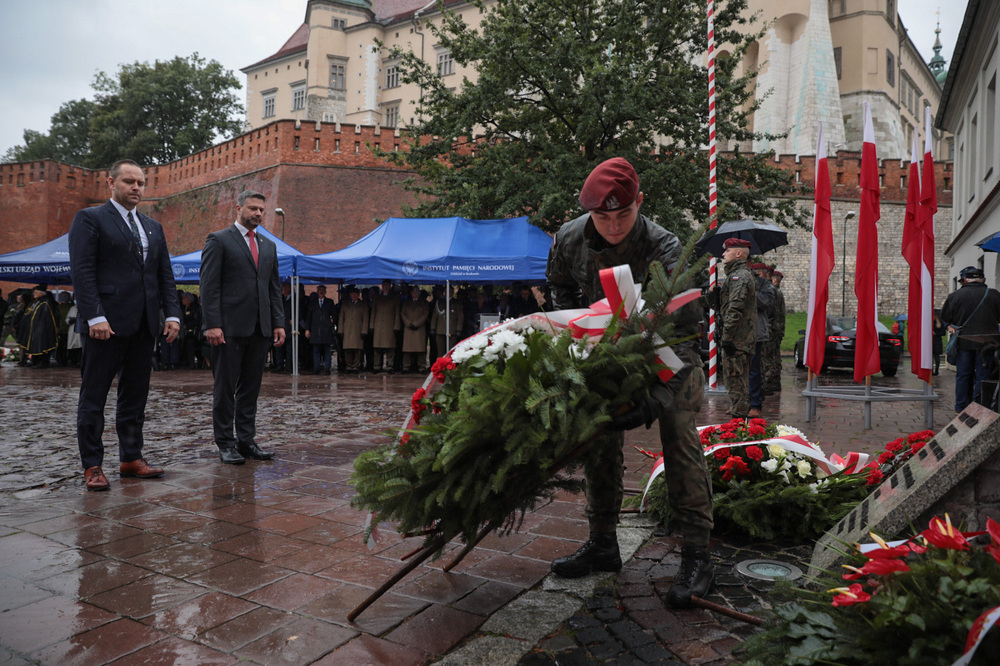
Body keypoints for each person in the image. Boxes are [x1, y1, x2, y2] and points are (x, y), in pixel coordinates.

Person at [546, 157, 713, 607]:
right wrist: (578, 338)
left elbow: (686, 330)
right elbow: (558, 288)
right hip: (606, 355)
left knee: (678, 433)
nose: (614, 225)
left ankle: (698, 553)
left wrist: (656, 397)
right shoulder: (569, 238)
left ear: (641, 202)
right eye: (603, 216)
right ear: (588, 212)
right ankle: (603, 541)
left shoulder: (666, 247)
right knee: (598, 436)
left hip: (671, 354)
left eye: (624, 214)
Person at [68, 159, 181, 491]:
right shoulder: (90, 219)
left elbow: (165, 277)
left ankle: (131, 457)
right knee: (94, 397)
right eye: (129, 181)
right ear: (111, 183)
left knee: (135, 397)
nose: (136, 187)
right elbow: (83, 271)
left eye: (141, 183)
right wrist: (95, 316)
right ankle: (92, 465)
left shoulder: (152, 227)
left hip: (144, 325)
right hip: (106, 325)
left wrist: (172, 314)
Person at [200, 190, 285, 465]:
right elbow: (209, 286)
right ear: (238, 208)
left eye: (262, 209)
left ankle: (246, 441)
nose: (258, 213)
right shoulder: (219, 240)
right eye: (252, 208)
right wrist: (212, 324)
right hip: (229, 329)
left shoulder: (268, 246)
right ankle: (225, 442)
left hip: (260, 329)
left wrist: (278, 323)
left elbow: (273, 288)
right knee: (225, 388)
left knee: (250, 388)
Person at [940, 266, 1000, 411]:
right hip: (988, 344)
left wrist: (949, 325)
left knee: (963, 376)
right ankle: (979, 407)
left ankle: (961, 407)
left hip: (963, 342)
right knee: (983, 376)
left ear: (965, 280)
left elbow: (945, 317)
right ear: (983, 280)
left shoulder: (955, 295)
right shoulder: (994, 295)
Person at [714, 238, 756, 419]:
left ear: (738, 253)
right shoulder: (736, 275)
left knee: (736, 383)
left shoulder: (740, 276)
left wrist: (727, 337)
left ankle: (738, 425)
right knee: (735, 382)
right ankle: (738, 420)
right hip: (738, 338)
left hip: (737, 340)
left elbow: (735, 308)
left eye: (727, 251)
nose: (723, 254)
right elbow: (729, 307)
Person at [748, 262, 775, 416]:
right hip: (736, 333)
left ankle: (755, 404)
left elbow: (767, 302)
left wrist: (750, 291)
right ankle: (739, 402)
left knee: (754, 370)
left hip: (755, 333)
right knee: (737, 372)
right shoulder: (735, 280)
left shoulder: (765, 285)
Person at [304, 285, 337, 374]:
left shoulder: (330, 302)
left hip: (326, 330)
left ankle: (327, 368)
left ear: (325, 292)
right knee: (316, 350)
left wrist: (333, 325)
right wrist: (307, 329)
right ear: (317, 291)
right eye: (319, 290)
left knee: (327, 350)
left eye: (323, 290)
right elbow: (309, 317)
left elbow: (334, 316)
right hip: (315, 330)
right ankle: (316, 368)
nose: (321, 292)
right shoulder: (312, 303)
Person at [370, 280, 400, 373]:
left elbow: (397, 314)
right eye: (384, 285)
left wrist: (396, 326)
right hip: (378, 326)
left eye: (387, 285)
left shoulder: (394, 298)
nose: (385, 287)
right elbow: (373, 313)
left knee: (390, 348)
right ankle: (377, 366)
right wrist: (372, 326)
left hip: (389, 326)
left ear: (390, 286)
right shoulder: (377, 298)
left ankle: (390, 366)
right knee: (377, 348)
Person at [763, 269, 785, 393]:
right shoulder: (778, 292)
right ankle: (774, 381)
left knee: (768, 357)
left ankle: (768, 382)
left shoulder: (772, 291)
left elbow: (772, 312)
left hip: (771, 329)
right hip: (776, 328)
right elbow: (781, 314)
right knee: (774, 356)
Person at [338, 286, 369, 373]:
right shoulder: (345, 305)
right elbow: (341, 318)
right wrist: (340, 330)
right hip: (347, 330)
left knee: (357, 349)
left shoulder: (363, 305)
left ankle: (356, 366)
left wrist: (364, 331)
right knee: (347, 349)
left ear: (358, 295)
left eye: (355, 294)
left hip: (358, 330)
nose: (354, 295)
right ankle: (349, 366)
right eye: (352, 294)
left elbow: (365, 319)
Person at [401, 286, 431, 372]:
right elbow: (403, 314)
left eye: (416, 292)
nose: (415, 293)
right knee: (407, 350)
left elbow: (425, 314)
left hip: (419, 328)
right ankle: (406, 367)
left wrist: (416, 323)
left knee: (420, 349)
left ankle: (422, 367)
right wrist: (408, 323)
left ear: (419, 293)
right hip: (408, 328)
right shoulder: (406, 302)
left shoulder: (424, 303)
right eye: (413, 292)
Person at [430, 285, 464, 357]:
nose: (448, 293)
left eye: (450, 291)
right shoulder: (439, 302)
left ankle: (450, 367)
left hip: (452, 330)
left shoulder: (456, 303)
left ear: (452, 292)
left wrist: (459, 329)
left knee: (451, 351)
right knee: (440, 352)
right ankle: (440, 367)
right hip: (440, 330)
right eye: (446, 291)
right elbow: (434, 316)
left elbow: (460, 317)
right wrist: (432, 328)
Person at [271, 283, 293, 372]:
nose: (283, 289)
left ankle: (289, 366)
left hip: (289, 327)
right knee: (279, 349)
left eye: (285, 287)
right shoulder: (279, 299)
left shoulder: (294, 300)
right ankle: (279, 366)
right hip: (280, 325)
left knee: (289, 350)